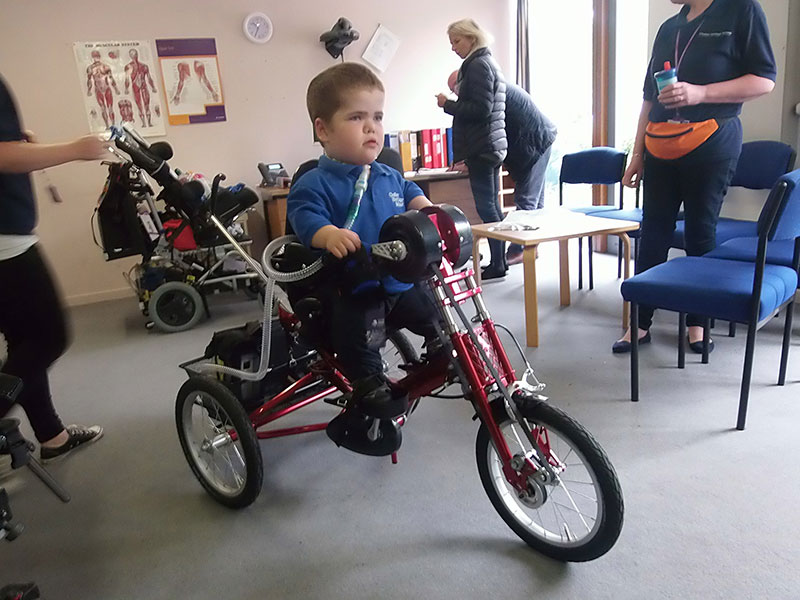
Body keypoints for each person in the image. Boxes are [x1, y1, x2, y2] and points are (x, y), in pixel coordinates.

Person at [286, 63, 440, 452]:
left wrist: (429, 211)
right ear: (323, 130)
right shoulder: (314, 182)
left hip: (398, 280)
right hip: (354, 285)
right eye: (356, 117)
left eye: (377, 117)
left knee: (429, 308)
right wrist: (328, 234)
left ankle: (440, 346)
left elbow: (411, 194)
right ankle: (367, 390)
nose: (371, 127)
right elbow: (304, 216)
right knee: (360, 337)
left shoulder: (386, 174)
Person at [612, 0, 776, 354]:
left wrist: (701, 92)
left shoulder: (741, 10)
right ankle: (639, 323)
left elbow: (764, 80)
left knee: (701, 232)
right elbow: (647, 97)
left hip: (713, 138)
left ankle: (699, 323)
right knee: (653, 231)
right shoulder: (669, 27)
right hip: (659, 141)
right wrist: (636, 154)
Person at [0, 75, 108, 463]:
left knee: (23, 339)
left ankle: (53, 436)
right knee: (48, 337)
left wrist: (18, 138)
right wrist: (76, 149)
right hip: (5, 241)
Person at [447, 71, 557, 265]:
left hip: (535, 142)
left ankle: (518, 251)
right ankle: (529, 249)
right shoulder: (491, 89)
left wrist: (473, 161)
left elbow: (490, 138)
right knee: (533, 203)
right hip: (530, 143)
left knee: (526, 202)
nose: (457, 95)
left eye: (456, 89)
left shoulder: (489, 94)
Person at [437, 19, 508, 280]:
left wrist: (448, 104)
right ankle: (499, 261)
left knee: (487, 208)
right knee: (493, 208)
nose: (454, 48)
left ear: (471, 38)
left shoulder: (477, 66)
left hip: (483, 146)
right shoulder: (486, 63)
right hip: (490, 144)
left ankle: (498, 263)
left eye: (457, 41)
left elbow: (480, 110)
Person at [124, 48, 157, 128]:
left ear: (137, 55)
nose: (134, 56)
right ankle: (144, 123)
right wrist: (126, 88)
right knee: (139, 106)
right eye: (132, 55)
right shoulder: (128, 67)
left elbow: (149, 78)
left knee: (146, 105)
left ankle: (148, 123)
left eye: (135, 54)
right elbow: (127, 79)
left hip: (144, 87)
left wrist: (153, 87)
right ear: (130, 56)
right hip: (135, 88)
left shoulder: (144, 66)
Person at [86, 50, 120, 128]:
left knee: (109, 108)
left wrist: (116, 89)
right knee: (103, 108)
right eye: (95, 57)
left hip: (106, 88)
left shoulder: (105, 66)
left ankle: (113, 124)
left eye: (96, 56)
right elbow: (89, 80)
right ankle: (108, 125)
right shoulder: (90, 68)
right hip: (99, 90)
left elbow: (111, 78)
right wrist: (89, 90)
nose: (96, 58)